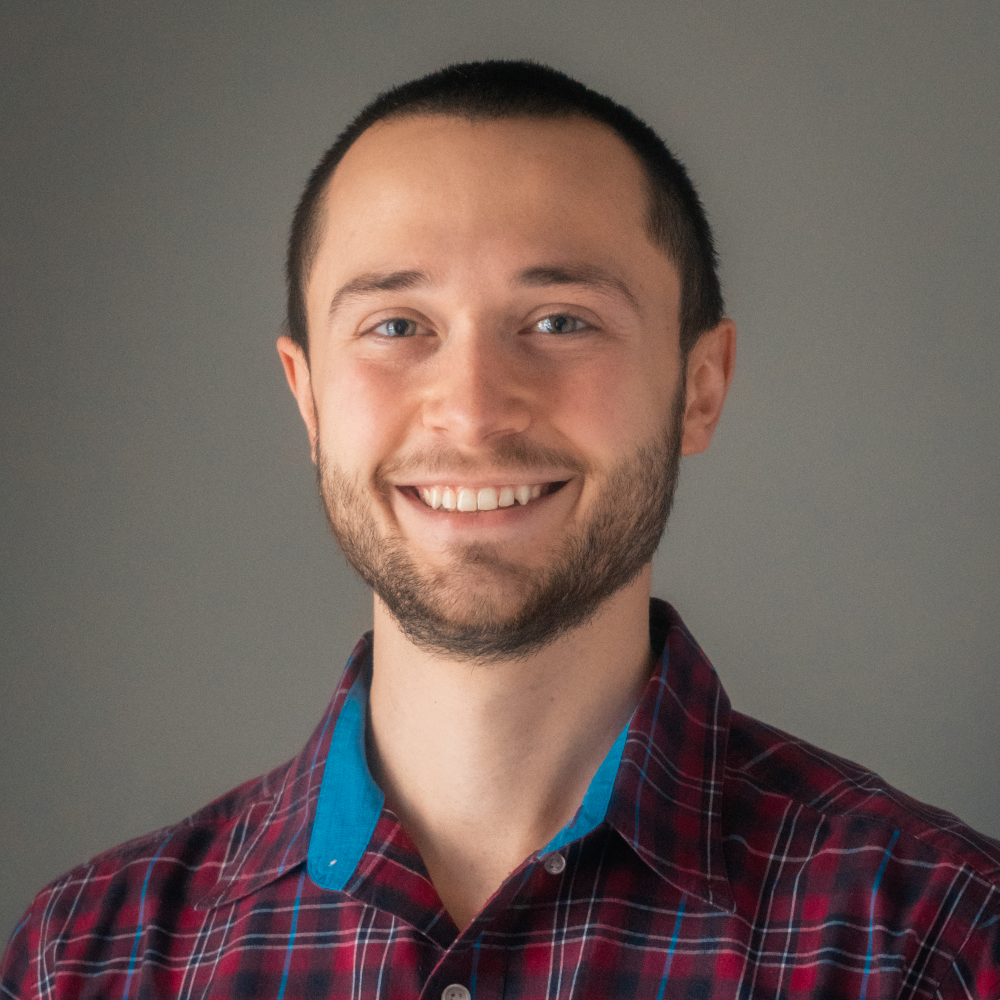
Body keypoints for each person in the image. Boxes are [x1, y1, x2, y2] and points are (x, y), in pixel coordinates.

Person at [3, 60, 998, 1000]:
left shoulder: (934, 939)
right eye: (397, 326)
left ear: (700, 387)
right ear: (307, 400)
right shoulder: (90, 958)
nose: (474, 410)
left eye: (559, 321)